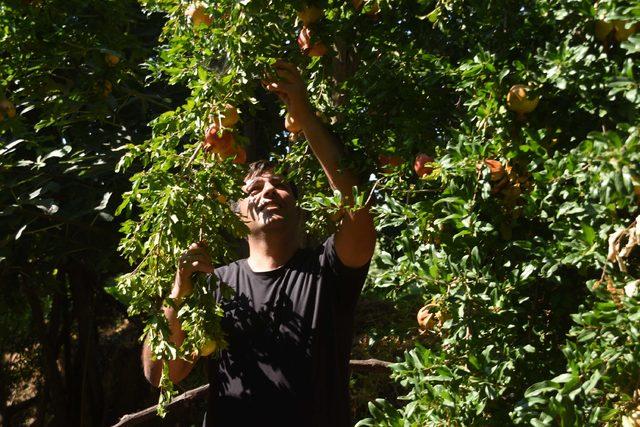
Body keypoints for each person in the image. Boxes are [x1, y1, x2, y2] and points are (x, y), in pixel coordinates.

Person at [141, 61, 376, 427]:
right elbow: (162, 374)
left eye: (280, 185)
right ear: (237, 215)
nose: (268, 190)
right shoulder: (213, 286)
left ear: (297, 209)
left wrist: (303, 114)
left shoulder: (327, 271)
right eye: (253, 188)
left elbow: (357, 210)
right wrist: (179, 293)